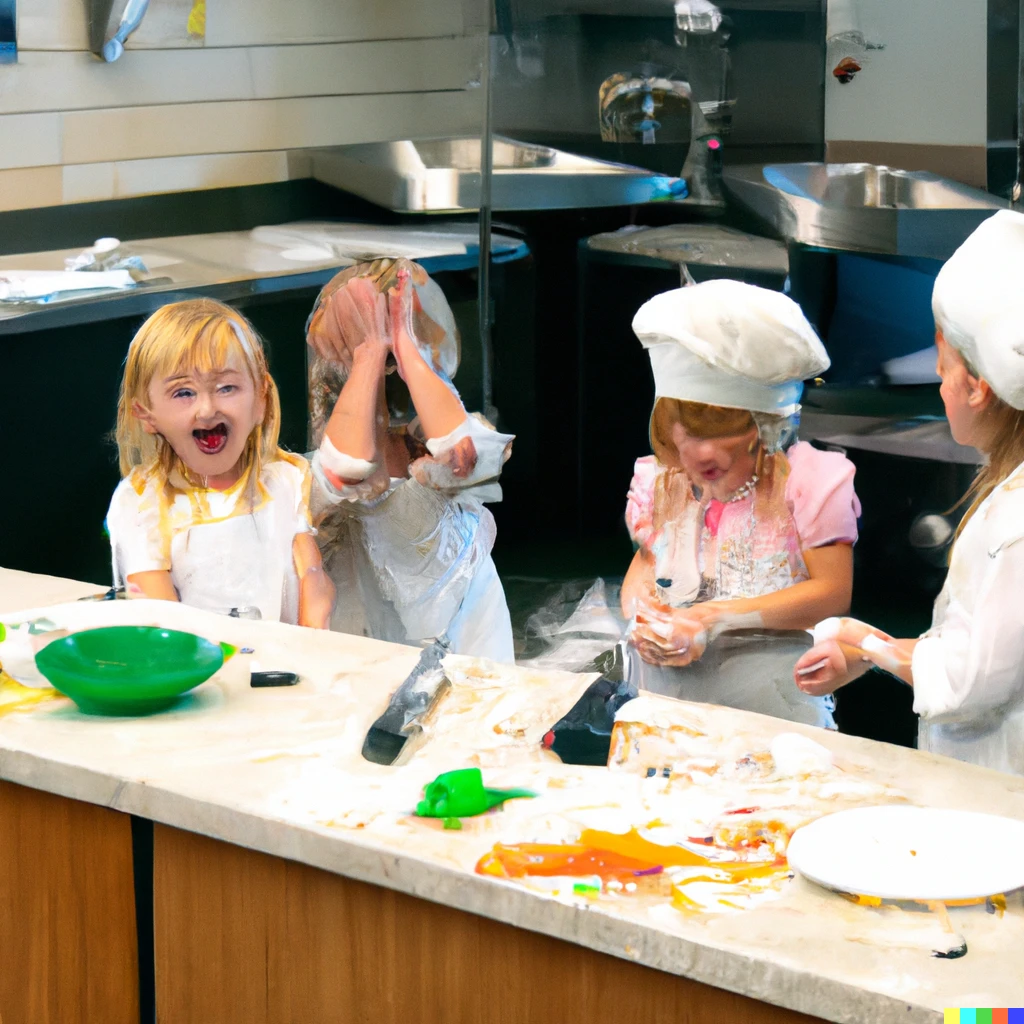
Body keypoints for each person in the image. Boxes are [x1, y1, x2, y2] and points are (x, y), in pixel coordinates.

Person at [795, 210, 1024, 775]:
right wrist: (873, 653)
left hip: (998, 795)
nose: (939, 386)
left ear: (976, 389)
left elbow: (966, 682)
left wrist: (864, 641)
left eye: (943, 369)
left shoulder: (1017, 522)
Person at [621, 280, 861, 727]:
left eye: (722, 433)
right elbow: (645, 565)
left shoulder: (809, 482)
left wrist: (713, 618)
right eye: (689, 434)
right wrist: (644, 617)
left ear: (768, 425)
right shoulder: (663, 481)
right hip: (668, 699)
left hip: (775, 705)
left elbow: (831, 592)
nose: (702, 453)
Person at [305, 258, 516, 661]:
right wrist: (369, 352)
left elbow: (467, 452)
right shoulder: (305, 473)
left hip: (474, 669)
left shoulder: (436, 442)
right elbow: (347, 469)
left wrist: (402, 342)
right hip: (377, 678)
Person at [107, 299, 335, 628]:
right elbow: (160, 615)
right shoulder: (143, 501)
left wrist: (313, 653)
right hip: (196, 667)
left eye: (226, 387)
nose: (207, 409)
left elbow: (314, 584)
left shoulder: (287, 480)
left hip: (288, 663)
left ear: (260, 400)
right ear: (146, 413)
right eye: (183, 392)